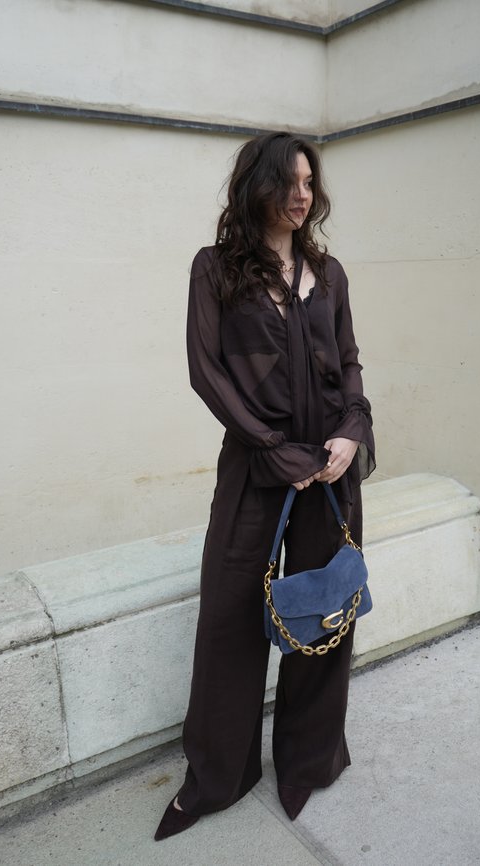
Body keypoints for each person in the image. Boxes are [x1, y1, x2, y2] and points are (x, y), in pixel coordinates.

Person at [154, 131, 375, 840]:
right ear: (258, 186)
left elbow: (349, 362)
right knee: (227, 615)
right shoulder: (215, 269)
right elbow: (206, 372)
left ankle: (307, 762)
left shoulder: (329, 271)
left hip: (331, 469)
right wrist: (272, 445)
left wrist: (352, 432)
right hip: (258, 464)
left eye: (310, 181)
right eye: (289, 180)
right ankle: (220, 774)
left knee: (323, 617)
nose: (303, 194)